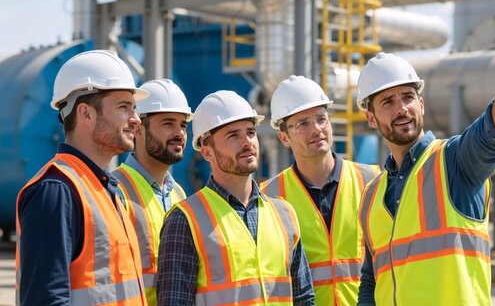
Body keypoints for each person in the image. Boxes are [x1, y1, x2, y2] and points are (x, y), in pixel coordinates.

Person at [356, 51, 495, 305]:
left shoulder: (453, 161)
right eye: (388, 101)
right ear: (371, 118)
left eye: (408, 97)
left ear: (421, 104)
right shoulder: (371, 196)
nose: (401, 108)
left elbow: (493, 133)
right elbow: (371, 280)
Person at [156, 90, 315, 305]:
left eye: (250, 132)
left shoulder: (284, 213)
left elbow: (304, 298)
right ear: (207, 152)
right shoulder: (184, 220)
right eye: (233, 135)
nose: (247, 142)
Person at [16, 50, 150, 305]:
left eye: (134, 108)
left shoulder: (107, 189)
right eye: (124, 107)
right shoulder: (57, 191)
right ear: (86, 114)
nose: (136, 119)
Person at [261, 75, 380, 306]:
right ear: (284, 137)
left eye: (321, 119)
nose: (316, 129)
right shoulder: (268, 197)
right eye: (302, 124)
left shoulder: (372, 180)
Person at [112, 79, 192, 305]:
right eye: (168, 123)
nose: (179, 133)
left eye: (183, 125)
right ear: (137, 128)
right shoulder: (114, 189)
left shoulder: (179, 194)